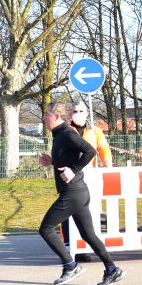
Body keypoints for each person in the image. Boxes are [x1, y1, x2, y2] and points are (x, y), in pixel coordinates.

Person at [38, 101, 125, 285]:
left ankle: (71, 266)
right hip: (78, 192)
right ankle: (112, 269)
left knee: (46, 229)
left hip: (72, 193)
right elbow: (67, 158)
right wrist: (52, 162)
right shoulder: (59, 134)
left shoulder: (67, 133)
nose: (44, 117)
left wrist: (74, 170)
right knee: (88, 234)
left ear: (57, 116)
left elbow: (90, 151)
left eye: (46, 114)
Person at [62, 102, 113, 263]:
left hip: (90, 176)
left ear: (87, 113)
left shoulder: (95, 131)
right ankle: (71, 246)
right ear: (70, 113)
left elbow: (104, 149)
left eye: (81, 111)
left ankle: (85, 246)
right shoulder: (65, 131)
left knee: (87, 213)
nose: (78, 113)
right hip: (70, 176)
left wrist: (108, 167)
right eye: (75, 111)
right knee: (69, 212)